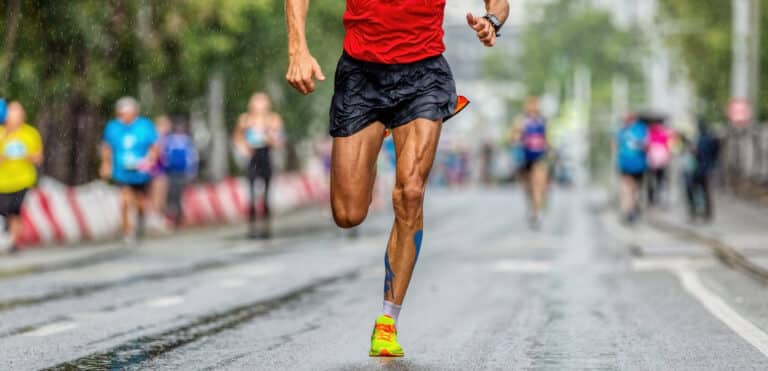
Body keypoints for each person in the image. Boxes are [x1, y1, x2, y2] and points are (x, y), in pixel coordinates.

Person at [285, 0, 508, 358]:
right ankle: (376, 139)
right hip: (362, 73)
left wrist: (492, 21)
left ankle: (388, 322)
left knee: (410, 193)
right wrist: (298, 48)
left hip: (424, 76)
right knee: (348, 213)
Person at [100, 97, 159, 245]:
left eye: (127, 113)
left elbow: (154, 146)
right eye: (121, 113)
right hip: (122, 171)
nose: (124, 117)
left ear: (134, 112)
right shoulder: (113, 127)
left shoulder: (145, 126)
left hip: (141, 171)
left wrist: (150, 159)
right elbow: (107, 147)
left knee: (140, 202)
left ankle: (140, 220)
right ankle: (127, 231)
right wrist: (105, 164)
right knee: (125, 200)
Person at [233, 93, 284, 239]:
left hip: (266, 155)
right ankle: (252, 228)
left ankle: (266, 228)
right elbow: (237, 137)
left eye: (262, 101)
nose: (259, 105)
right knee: (251, 195)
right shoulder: (245, 120)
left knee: (266, 196)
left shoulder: (273, 120)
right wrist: (244, 147)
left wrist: (269, 137)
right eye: (256, 101)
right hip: (252, 157)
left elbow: (279, 141)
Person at [0, 102, 43, 253]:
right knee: (4, 210)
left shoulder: (30, 133)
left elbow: (38, 158)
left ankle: (13, 242)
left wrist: (25, 155)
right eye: (12, 113)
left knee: (14, 210)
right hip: (3, 181)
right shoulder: (1, 133)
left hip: (23, 179)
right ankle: (7, 234)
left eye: (18, 113)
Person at [512, 97, 549, 229]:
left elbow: (547, 138)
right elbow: (514, 137)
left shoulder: (543, 121)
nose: (534, 108)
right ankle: (533, 207)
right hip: (525, 157)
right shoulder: (521, 121)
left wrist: (548, 149)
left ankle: (537, 212)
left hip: (539, 157)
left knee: (538, 185)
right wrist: (518, 137)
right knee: (528, 187)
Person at [160, 117, 198, 228]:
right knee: (171, 194)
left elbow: (192, 157)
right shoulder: (169, 140)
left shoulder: (187, 140)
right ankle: (172, 216)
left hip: (182, 172)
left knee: (179, 194)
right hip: (171, 172)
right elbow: (164, 155)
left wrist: (192, 171)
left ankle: (179, 216)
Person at [616, 114, 648, 224]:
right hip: (633, 165)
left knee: (630, 190)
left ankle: (629, 210)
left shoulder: (624, 130)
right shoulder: (641, 129)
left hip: (633, 164)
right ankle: (630, 211)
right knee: (631, 190)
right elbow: (646, 145)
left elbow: (617, 146)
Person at [688, 119, 720, 222]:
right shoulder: (711, 138)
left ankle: (696, 211)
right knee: (706, 191)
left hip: (701, 169)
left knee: (693, 189)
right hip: (707, 168)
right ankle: (706, 212)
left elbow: (697, 153)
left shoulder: (702, 139)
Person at [646, 118, 672, 207]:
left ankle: (655, 199)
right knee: (658, 181)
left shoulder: (652, 134)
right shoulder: (663, 133)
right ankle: (656, 199)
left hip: (656, 162)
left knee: (656, 181)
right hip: (658, 162)